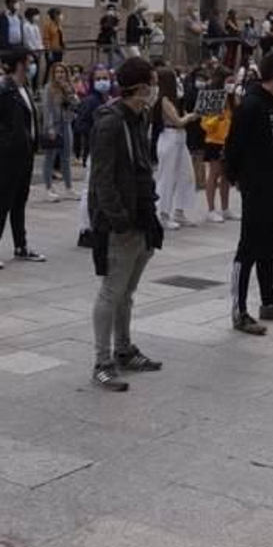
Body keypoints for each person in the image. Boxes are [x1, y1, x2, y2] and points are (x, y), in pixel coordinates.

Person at [87, 56, 164, 391]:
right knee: (111, 291)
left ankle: (124, 348)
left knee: (127, 292)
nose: (155, 90)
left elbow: (140, 167)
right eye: (152, 83)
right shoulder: (110, 122)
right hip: (120, 221)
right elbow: (101, 178)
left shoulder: (139, 116)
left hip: (142, 214)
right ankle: (102, 361)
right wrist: (119, 219)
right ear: (142, 87)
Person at [223, 51, 273, 334]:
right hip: (257, 184)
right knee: (249, 246)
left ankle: (268, 302)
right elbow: (234, 144)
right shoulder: (252, 104)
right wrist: (237, 177)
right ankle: (239, 310)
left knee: (269, 246)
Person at [0, 49, 46, 268]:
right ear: (20, 64)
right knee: (4, 202)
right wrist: (9, 133)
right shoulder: (5, 89)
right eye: (30, 61)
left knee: (19, 202)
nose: (33, 65)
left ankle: (20, 245)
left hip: (26, 154)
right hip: (10, 155)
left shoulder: (23, 88)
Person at [150, 67, 200, 231]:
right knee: (167, 177)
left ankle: (179, 211)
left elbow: (182, 115)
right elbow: (178, 121)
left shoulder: (175, 99)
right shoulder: (164, 99)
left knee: (187, 175)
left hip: (180, 139)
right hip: (170, 137)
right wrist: (191, 116)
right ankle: (162, 214)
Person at [200, 69, 236, 223]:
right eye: (229, 81)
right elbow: (204, 124)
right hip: (214, 141)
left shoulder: (232, 99)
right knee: (214, 174)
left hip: (229, 141)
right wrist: (217, 118)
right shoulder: (211, 98)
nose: (232, 85)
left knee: (226, 176)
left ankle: (225, 208)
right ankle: (210, 209)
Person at [40, 62, 78, 201]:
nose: (60, 75)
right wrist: (49, 127)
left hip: (66, 123)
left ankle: (69, 187)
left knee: (66, 157)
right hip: (54, 125)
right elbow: (47, 109)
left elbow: (76, 105)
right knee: (50, 157)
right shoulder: (48, 88)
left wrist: (69, 92)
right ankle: (48, 188)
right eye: (57, 72)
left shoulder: (68, 88)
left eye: (62, 72)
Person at [74, 65, 115, 166]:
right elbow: (80, 125)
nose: (102, 82)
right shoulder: (90, 101)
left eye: (105, 78)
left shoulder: (112, 99)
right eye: (98, 79)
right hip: (95, 149)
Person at [42, 7, 66, 75]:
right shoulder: (48, 25)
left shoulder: (58, 25)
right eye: (59, 14)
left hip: (59, 50)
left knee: (58, 68)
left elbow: (61, 37)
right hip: (51, 51)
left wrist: (63, 47)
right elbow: (46, 39)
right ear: (55, 15)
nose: (60, 16)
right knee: (50, 69)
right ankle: (46, 84)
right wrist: (49, 51)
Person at [22, 7, 46, 72]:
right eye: (36, 15)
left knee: (37, 71)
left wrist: (41, 48)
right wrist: (33, 51)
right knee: (31, 71)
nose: (38, 17)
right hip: (31, 52)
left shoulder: (36, 26)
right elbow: (27, 40)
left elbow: (39, 39)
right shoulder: (26, 26)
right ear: (30, 16)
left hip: (38, 52)